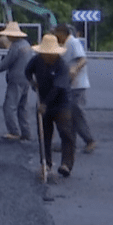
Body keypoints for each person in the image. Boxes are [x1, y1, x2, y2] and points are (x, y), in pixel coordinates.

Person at [24, 33, 76, 177]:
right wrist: (32, 82)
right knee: (44, 135)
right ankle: (46, 163)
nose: (47, 56)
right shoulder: (37, 60)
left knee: (66, 133)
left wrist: (45, 104)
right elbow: (27, 71)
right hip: (42, 100)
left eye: (49, 53)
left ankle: (66, 164)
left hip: (61, 103)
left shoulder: (62, 66)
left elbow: (57, 88)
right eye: (44, 53)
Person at [0, 21, 34, 141]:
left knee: (9, 106)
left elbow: (6, 63)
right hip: (26, 79)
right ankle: (26, 131)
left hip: (16, 79)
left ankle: (14, 132)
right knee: (22, 107)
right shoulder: (27, 45)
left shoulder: (16, 46)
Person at [54, 23, 97, 153]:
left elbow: (83, 60)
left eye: (57, 35)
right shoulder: (65, 45)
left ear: (62, 33)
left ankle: (89, 140)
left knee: (76, 113)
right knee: (69, 115)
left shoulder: (73, 42)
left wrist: (75, 69)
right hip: (70, 85)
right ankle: (68, 143)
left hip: (77, 85)